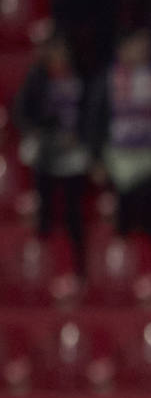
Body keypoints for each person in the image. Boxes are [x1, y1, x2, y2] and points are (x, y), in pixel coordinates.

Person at [86, 26, 151, 243]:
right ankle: (125, 262)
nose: (143, 50)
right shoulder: (107, 81)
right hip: (118, 157)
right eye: (137, 45)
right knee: (126, 211)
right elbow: (94, 121)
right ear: (122, 49)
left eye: (145, 45)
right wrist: (97, 159)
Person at [16, 33, 90, 275]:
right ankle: (42, 267)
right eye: (55, 51)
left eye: (63, 50)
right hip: (47, 151)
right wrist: (39, 131)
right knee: (46, 211)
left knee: (73, 213)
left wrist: (79, 135)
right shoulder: (36, 78)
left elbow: (91, 114)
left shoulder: (81, 77)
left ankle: (79, 268)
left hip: (74, 151)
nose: (60, 56)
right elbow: (21, 115)